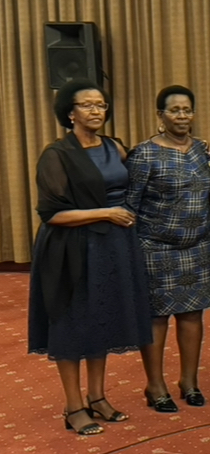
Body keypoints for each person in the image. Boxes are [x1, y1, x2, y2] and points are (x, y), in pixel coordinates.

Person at [28, 81, 151, 435]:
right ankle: (73, 405)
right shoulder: (57, 154)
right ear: (70, 112)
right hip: (69, 249)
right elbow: (50, 213)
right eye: (87, 105)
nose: (97, 111)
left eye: (101, 104)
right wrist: (106, 213)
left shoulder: (115, 147)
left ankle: (97, 397)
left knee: (102, 320)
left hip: (113, 247)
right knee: (71, 324)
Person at [125, 85, 210, 412]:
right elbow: (130, 206)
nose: (182, 116)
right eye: (174, 110)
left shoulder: (202, 150)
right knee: (156, 318)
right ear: (160, 115)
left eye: (187, 110)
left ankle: (189, 382)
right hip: (155, 248)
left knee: (193, 314)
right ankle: (155, 386)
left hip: (198, 246)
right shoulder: (144, 153)